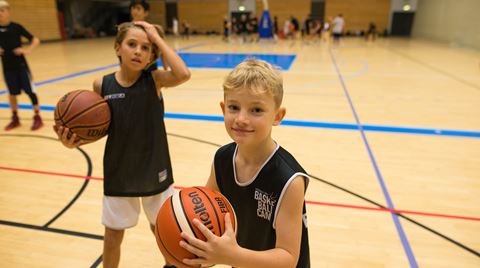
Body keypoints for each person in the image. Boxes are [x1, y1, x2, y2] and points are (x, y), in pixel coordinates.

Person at [54, 21, 190, 268]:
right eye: (132, 44)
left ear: (151, 56)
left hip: (154, 167)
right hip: (119, 172)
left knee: (162, 231)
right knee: (112, 238)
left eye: (146, 48)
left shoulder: (155, 80)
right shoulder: (101, 85)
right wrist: (73, 142)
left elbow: (183, 74)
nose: (138, 51)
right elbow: (96, 127)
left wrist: (158, 39)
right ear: (118, 48)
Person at [179, 58, 310, 268]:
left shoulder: (289, 179)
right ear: (223, 109)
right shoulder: (221, 159)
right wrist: (199, 249)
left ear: (278, 116)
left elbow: (288, 258)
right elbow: (207, 213)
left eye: (256, 110)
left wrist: (230, 256)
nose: (241, 118)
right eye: (233, 107)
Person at [0, 0, 43, 131]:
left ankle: (37, 117)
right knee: (12, 94)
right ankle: (15, 118)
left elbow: (35, 40)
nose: (0, 13)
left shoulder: (16, 27)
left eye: (2, 10)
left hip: (21, 66)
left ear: (8, 11)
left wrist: (27, 50)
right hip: (7, 67)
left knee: (30, 91)